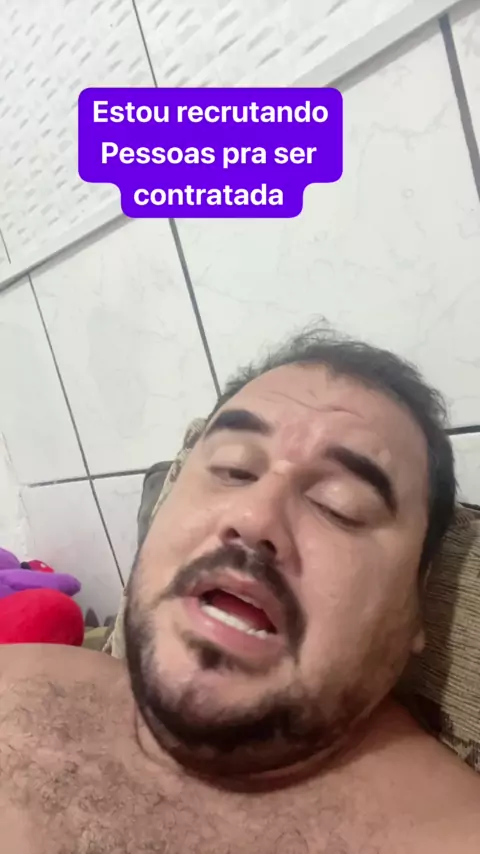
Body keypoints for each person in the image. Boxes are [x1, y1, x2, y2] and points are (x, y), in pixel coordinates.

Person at [1, 327, 479, 854]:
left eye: (338, 505)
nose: (254, 517)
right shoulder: (15, 683)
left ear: (416, 605)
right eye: (234, 469)